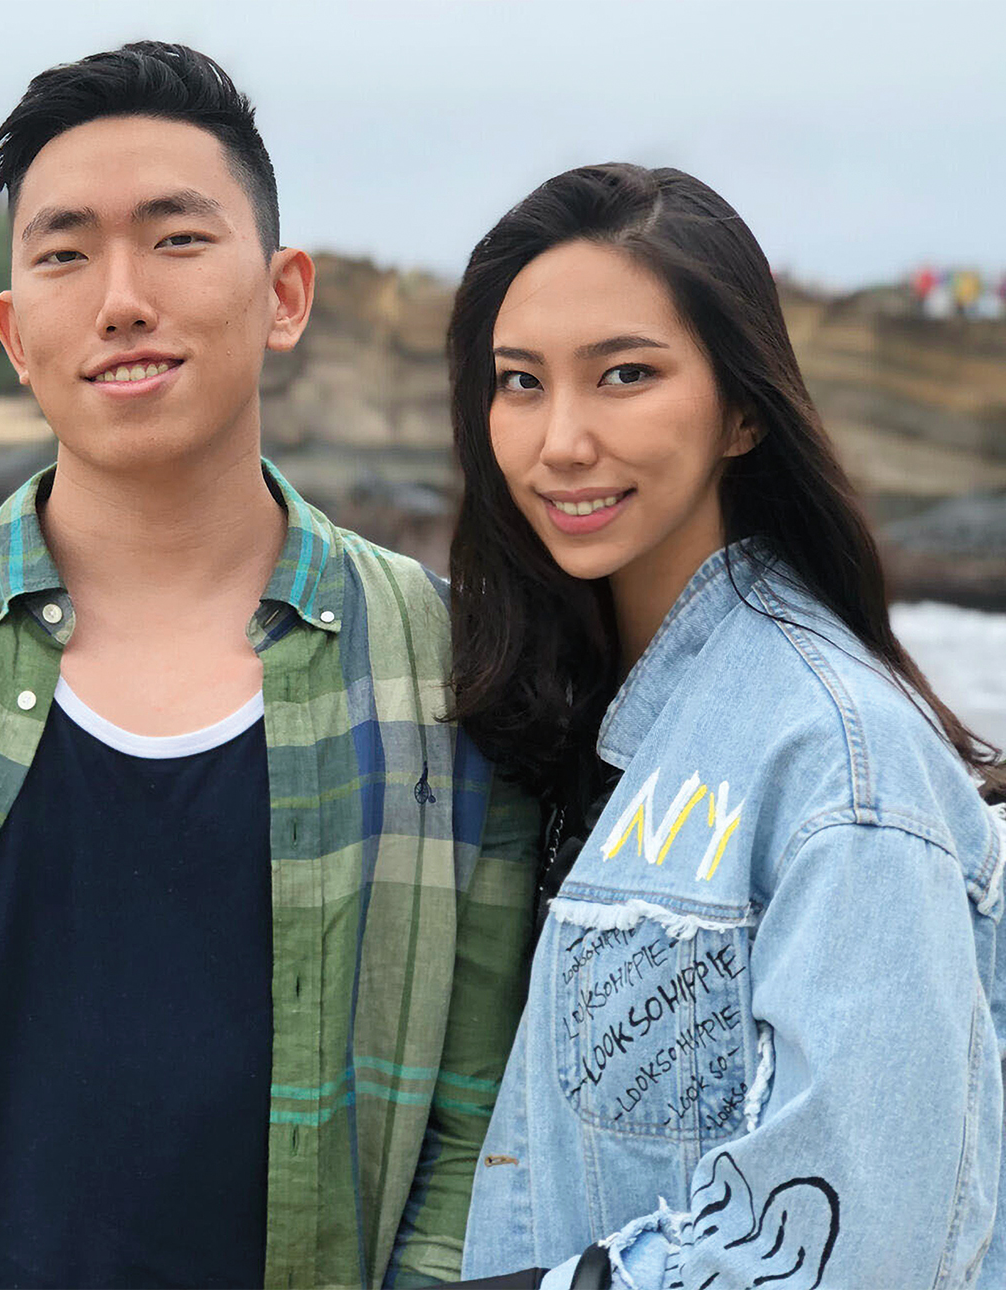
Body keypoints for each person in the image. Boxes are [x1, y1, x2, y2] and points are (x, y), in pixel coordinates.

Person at [0, 42, 540, 1290]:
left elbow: (478, 1141)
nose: (119, 299)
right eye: (63, 252)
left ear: (285, 293)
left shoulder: (459, 670)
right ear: (14, 331)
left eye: (176, 238)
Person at [442, 164, 1006, 1288]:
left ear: (743, 410)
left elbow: (867, 1239)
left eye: (625, 376)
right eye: (519, 382)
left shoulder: (838, 758)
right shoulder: (585, 716)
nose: (560, 440)